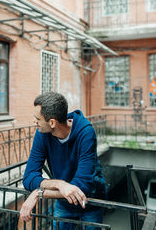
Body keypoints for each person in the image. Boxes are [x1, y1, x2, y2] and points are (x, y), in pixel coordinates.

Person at [20, 92, 107, 229]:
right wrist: (61, 185)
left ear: (52, 122)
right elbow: (29, 177)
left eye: (37, 118)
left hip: (91, 201)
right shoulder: (42, 133)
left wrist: (39, 192)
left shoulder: (86, 133)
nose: (34, 121)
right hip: (63, 201)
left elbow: (82, 186)